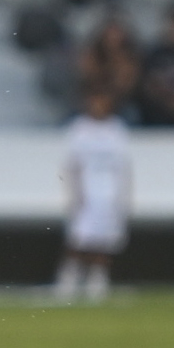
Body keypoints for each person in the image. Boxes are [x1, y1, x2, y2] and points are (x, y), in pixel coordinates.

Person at [54, 88, 130, 303]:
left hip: (109, 192)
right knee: (79, 237)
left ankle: (97, 281)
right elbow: (73, 164)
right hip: (87, 191)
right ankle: (69, 279)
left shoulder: (116, 129)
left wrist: (123, 196)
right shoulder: (80, 129)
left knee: (105, 238)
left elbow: (122, 166)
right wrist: (75, 192)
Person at [76, 11, 141, 115]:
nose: (113, 37)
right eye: (110, 32)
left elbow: (126, 86)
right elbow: (88, 79)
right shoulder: (91, 54)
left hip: (120, 103)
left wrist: (109, 99)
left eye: (117, 33)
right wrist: (98, 98)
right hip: (92, 100)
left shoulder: (130, 57)